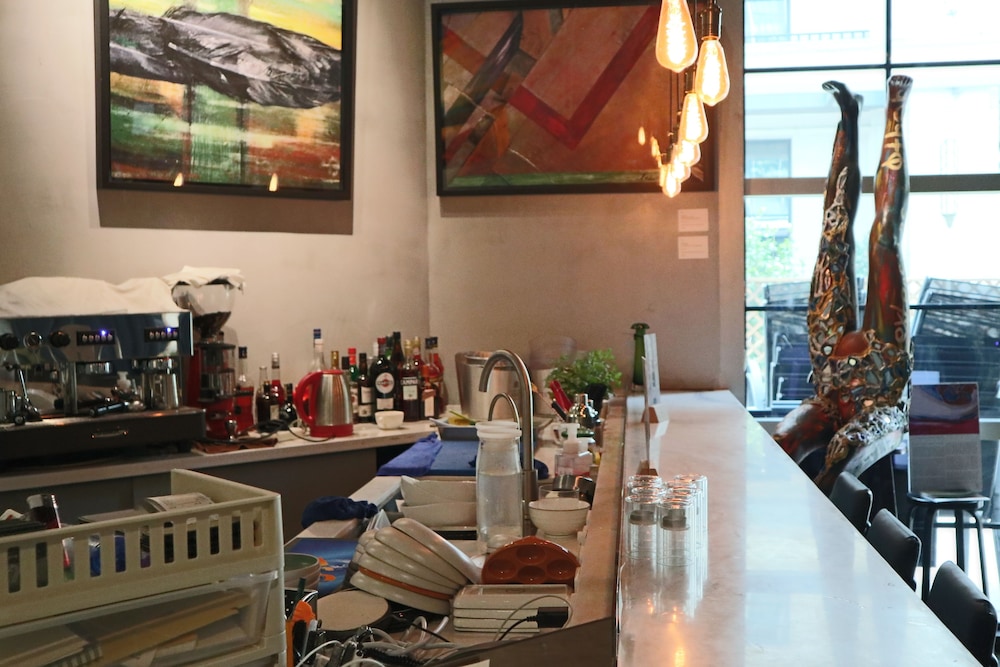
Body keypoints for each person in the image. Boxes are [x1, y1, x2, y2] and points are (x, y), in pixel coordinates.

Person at [773, 75, 914, 494]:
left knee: (883, 237)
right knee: (832, 232)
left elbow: (887, 228)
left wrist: (894, 111)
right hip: (832, 391)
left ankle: (893, 111)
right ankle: (849, 115)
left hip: (881, 387)